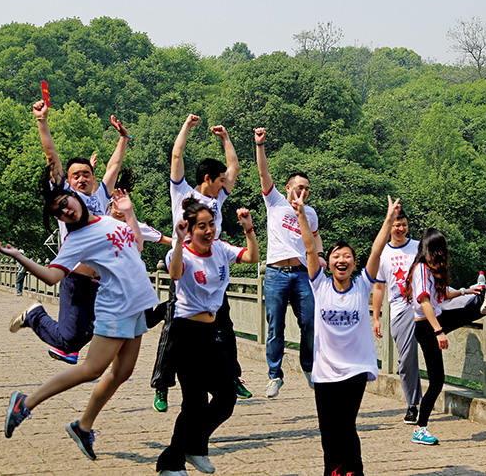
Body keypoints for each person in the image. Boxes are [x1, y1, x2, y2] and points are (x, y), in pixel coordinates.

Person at [0, 173, 159, 461]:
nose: (65, 211)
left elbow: (137, 246)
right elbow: (52, 276)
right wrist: (19, 256)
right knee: (91, 369)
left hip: (137, 306)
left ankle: (82, 427)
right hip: (116, 307)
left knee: (122, 372)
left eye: (65, 203)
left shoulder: (109, 221)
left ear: (75, 198)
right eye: (58, 212)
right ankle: (25, 403)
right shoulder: (76, 239)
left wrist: (129, 212)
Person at [8, 99, 129, 366]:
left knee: (105, 324)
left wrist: (123, 138)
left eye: (86, 174)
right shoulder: (68, 199)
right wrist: (42, 121)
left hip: (101, 280)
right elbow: (51, 155)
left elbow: (114, 167)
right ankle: (35, 315)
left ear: (93, 177)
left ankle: (68, 347)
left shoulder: (100, 196)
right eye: (76, 176)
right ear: (68, 182)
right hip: (76, 277)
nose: (82, 178)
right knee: (69, 339)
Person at [295, 190, 399, 476]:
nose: (342, 260)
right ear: (328, 263)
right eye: (336, 256)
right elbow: (309, 248)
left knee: (345, 423)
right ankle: (333, 470)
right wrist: (301, 214)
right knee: (327, 427)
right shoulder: (319, 285)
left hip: (355, 368)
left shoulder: (363, 285)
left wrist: (388, 220)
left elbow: (376, 251)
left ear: (353, 264)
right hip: (325, 370)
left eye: (347, 256)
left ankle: (354, 470)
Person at [150, 113, 249, 416]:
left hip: (213, 267)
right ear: (207, 179)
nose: (224, 184)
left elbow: (233, 167)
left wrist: (226, 138)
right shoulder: (183, 193)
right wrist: (186, 126)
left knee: (225, 326)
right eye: (220, 181)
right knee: (172, 330)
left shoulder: (218, 199)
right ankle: (162, 385)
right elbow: (176, 155)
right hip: (185, 266)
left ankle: (232, 377)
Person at [155, 198, 259, 475]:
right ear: (189, 230)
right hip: (185, 333)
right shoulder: (180, 253)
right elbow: (174, 273)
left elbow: (252, 258)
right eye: (202, 226)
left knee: (226, 397)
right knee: (195, 403)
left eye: (211, 224)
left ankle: (194, 447)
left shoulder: (220, 248)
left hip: (211, 332)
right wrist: (178, 241)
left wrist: (249, 229)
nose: (209, 230)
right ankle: (171, 463)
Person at [371, 210, 486, 426]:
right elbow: (378, 287)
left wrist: (465, 291)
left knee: (461, 304)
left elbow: (436, 281)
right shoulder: (383, 252)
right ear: (389, 227)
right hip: (401, 308)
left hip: (426, 304)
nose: (401, 228)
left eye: (404, 224)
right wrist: (376, 317)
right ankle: (412, 404)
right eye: (396, 225)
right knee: (406, 358)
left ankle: (485, 299)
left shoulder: (418, 247)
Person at [405, 228, 486, 445]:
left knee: (473, 306)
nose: (441, 254)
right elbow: (424, 300)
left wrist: (466, 291)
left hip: (435, 320)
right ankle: (420, 429)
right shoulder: (421, 269)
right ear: (429, 249)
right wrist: (438, 331)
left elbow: (442, 294)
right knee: (437, 382)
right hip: (427, 326)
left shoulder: (428, 269)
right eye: (438, 250)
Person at [255, 127, 326, 399]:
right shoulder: (275, 202)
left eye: (307, 189)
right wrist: (260, 145)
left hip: (302, 274)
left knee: (310, 322)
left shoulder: (311, 213)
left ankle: (308, 367)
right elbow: (263, 173)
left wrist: (321, 256)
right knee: (276, 328)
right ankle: (274, 375)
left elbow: (316, 238)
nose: (303, 192)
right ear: (288, 188)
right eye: (299, 187)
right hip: (275, 273)